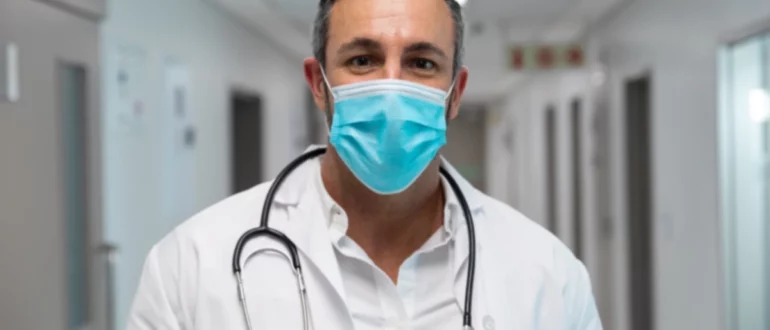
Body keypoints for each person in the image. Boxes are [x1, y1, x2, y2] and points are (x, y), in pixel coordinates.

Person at [126, 0, 602, 329]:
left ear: (455, 93)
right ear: (318, 83)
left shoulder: (550, 278)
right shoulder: (189, 269)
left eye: (420, 64)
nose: (390, 87)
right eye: (362, 60)